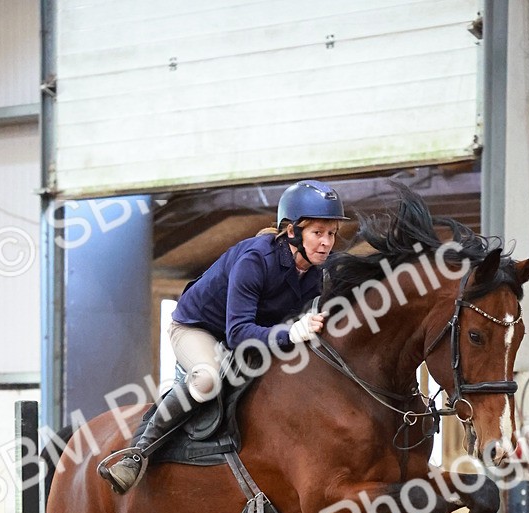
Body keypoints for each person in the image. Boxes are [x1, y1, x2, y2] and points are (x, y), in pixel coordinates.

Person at [100, 179, 350, 494]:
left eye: (331, 234)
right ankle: (137, 454)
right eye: (317, 233)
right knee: (207, 379)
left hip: (249, 335)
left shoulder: (314, 275)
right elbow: (238, 334)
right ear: (292, 231)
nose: (326, 243)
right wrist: (293, 331)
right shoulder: (254, 259)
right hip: (199, 328)